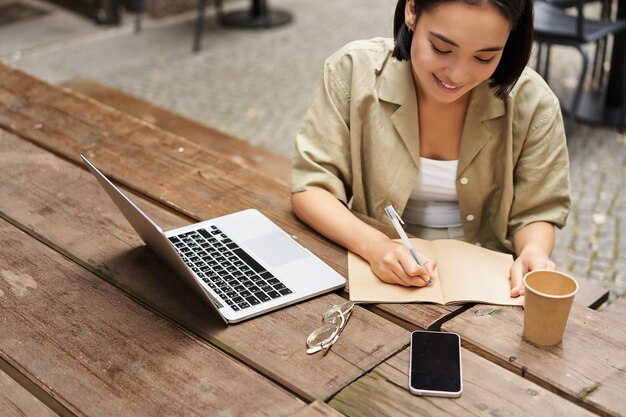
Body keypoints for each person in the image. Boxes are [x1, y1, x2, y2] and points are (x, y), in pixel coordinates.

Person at [291, 0, 570, 297]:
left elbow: (537, 210)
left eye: (485, 58)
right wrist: (375, 246)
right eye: (441, 48)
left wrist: (533, 250)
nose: (458, 75)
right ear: (412, 10)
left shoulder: (533, 103)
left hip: (489, 288)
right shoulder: (351, 71)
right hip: (378, 275)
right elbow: (311, 187)